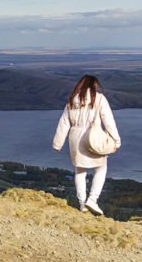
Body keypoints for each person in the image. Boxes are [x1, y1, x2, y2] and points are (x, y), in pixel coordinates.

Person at [52, 75, 121, 215]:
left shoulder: (72, 99)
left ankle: (82, 204)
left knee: (80, 171)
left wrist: (57, 143)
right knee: (101, 168)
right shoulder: (99, 99)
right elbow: (109, 121)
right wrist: (116, 141)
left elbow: (64, 123)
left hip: (75, 137)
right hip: (94, 137)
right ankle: (93, 200)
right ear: (94, 86)